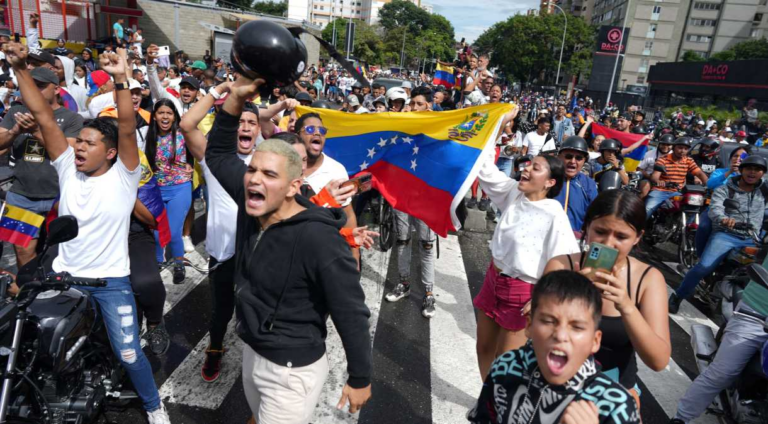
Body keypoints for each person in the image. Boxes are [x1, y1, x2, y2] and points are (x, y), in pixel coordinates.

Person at [3, 42, 171, 423]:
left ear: (110, 153)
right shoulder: (67, 167)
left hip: (111, 283)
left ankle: (154, 406)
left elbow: (126, 127)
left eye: (89, 143)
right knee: (38, 343)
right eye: (78, 141)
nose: (78, 147)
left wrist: (120, 80)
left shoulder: (124, 177)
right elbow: (43, 115)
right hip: (64, 279)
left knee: (129, 353)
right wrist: (19, 68)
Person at [205, 75, 372, 423]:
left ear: (294, 186)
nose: (253, 179)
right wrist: (234, 100)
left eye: (268, 174)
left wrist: (360, 378)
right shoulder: (254, 199)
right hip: (252, 351)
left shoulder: (319, 238)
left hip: (292, 371)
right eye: (251, 170)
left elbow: (350, 309)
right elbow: (218, 151)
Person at [545, 190, 671, 409]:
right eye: (600, 231)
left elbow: (658, 360)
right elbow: (537, 338)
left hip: (616, 396)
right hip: (556, 391)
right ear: (586, 228)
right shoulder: (561, 266)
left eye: (621, 237)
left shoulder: (648, 279)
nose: (608, 243)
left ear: (638, 238)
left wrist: (627, 306)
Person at [468, 271, 641, 424]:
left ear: (595, 341)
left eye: (577, 327)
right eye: (549, 321)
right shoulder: (505, 367)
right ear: (529, 326)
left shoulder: (616, 406)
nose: (560, 335)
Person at [473, 146, 579, 379]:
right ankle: (486, 401)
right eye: (528, 164)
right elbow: (484, 168)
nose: (526, 169)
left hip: (522, 293)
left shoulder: (554, 214)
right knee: (483, 347)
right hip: (493, 280)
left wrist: (542, 297)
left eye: (535, 168)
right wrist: (498, 122)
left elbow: (567, 262)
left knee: (505, 362)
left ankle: (498, 410)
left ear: (550, 182)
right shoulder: (513, 192)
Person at [0, 67, 83, 267]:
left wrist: (37, 131)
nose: (35, 90)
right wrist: (15, 131)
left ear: (56, 89)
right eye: (32, 86)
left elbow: (68, 152)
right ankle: (30, 294)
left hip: (60, 197)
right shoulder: (17, 111)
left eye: (41, 86)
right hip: (21, 195)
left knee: (62, 251)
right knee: (22, 251)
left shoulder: (72, 118)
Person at [669, 155, 768, 313]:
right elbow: (715, 209)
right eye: (749, 168)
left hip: (752, 238)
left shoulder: (763, 190)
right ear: (741, 170)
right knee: (703, 267)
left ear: (763, 173)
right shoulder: (725, 189)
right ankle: (677, 296)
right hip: (727, 234)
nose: (753, 172)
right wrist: (724, 219)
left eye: (758, 170)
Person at [384, 87, 439, 318]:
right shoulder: (401, 124)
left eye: (419, 104)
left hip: (426, 197)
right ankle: (404, 284)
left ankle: (428, 294)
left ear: (429, 105)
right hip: (402, 193)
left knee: (426, 246)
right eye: (412, 103)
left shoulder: (440, 127)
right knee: (403, 241)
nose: (414, 108)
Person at [139, 98, 192, 283]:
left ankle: (179, 264)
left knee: (174, 231)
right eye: (161, 112)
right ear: (154, 116)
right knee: (155, 230)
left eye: (169, 113)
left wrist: (192, 166)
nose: (165, 116)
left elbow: (199, 149)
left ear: (174, 116)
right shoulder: (147, 135)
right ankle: (158, 261)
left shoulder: (182, 133)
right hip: (157, 190)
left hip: (180, 188)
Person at [646, 137, 709, 218]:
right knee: (648, 209)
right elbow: (655, 176)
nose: (682, 151)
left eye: (685, 149)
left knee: (693, 207)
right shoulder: (663, 159)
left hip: (678, 192)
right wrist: (659, 181)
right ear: (673, 147)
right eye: (680, 148)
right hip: (660, 190)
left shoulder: (688, 160)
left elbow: (699, 173)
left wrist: (709, 185)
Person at [555, 136, 598, 237]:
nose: (573, 161)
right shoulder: (547, 178)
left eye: (578, 158)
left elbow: (594, 215)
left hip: (574, 240)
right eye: (568, 156)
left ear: (584, 161)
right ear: (559, 157)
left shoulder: (589, 184)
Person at [637, 133, 674, 199]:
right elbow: (639, 169)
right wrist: (650, 177)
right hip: (649, 179)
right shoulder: (649, 154)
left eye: (668, 145)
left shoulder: (675, 156)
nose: (665, 147)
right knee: (645, 188)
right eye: (663, 144)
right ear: (659, 144)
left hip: (668, 182)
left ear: (672, 146)